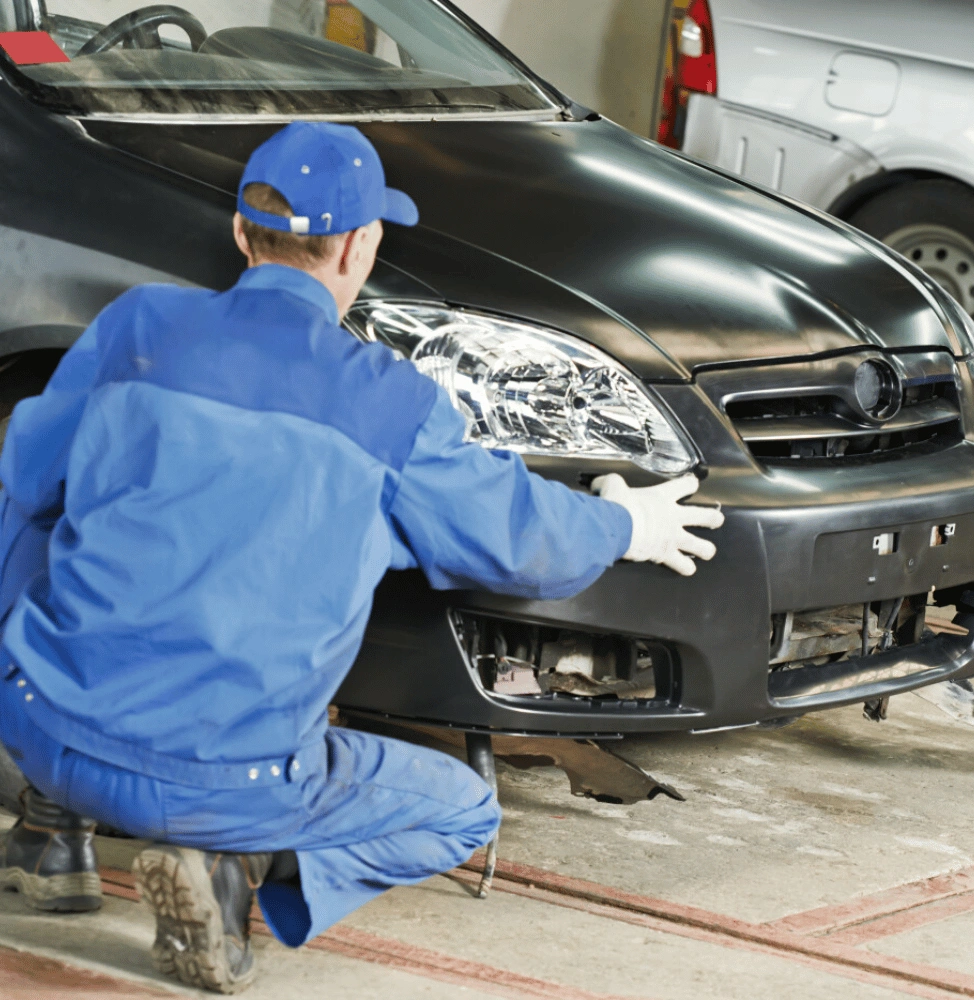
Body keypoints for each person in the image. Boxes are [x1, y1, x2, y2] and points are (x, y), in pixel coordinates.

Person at [0, 122, 723, 994]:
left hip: (36, 722)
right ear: (360, 246)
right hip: (233, 782)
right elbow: (520, 540)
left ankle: (49, 837)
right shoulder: (392, 405)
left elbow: (28, 481)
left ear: (241, 232)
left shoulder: (136, 327)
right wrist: (626, 525)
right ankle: (226, 867)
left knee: (35, 507)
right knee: (462, 812)